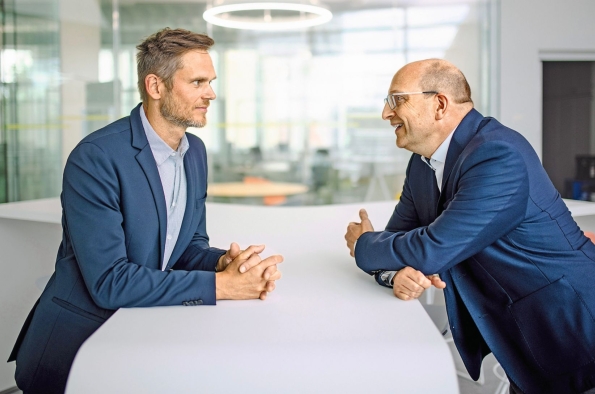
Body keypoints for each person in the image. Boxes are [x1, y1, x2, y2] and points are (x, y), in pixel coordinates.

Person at [8, 28, 282, 394]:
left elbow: (186, 248)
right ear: (156, 86)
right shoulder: (96, 158)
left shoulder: (194, 153)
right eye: (198, 82)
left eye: (211, 82)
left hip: (141, 338)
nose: (211, 94)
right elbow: (109, 282)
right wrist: (224, 286)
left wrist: (223, 264)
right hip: (77, 350)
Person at [344, 59, 595, 394]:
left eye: (397, 100)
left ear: (440, 104)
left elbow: (430, 250)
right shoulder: (422, 164)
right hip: (520, 333)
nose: (386, 114)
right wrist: (396, 271)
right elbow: (399, 243)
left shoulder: (498, 153)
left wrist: (364, 244)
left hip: (571, 329)